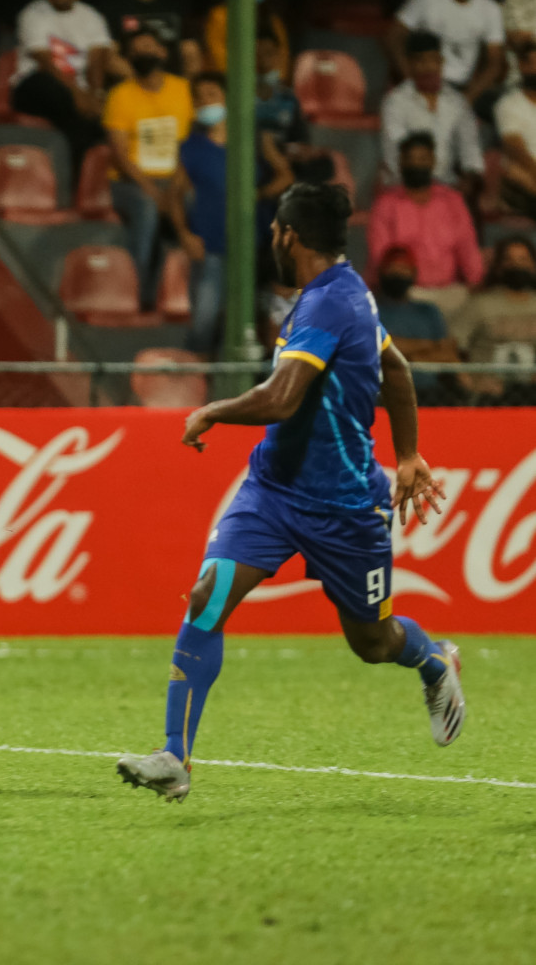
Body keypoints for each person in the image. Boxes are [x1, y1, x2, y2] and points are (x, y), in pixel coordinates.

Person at [116, 182, 465, 803]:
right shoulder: (337, 293)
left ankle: (435, 662)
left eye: (274, 232)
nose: (270, 241)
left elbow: (283, 397)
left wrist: (214, 410)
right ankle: (175, 756)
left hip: (346, 508)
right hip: (273, 490)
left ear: (288, 236)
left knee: (372, 642)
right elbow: (396, 369)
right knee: (206, 595)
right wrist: (408, 453)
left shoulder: (332, 303)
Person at [167, 72, 293, 356]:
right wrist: (185, 234)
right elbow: (174, 196)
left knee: (254, 323)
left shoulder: (254, 139)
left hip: (253, 245)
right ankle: (195, 381)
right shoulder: (191, 147)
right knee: (205, 321)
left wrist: (259, 194)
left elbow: (285, 175)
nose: (204, 103)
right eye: (198, 99)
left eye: (210, 95)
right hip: (210, 244)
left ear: (226, 97)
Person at [103, 26, 193, 308]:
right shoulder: (120, 95)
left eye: (149, 47)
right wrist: (154, 193)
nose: (143, 53)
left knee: (196, 201)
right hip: (130, 183)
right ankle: (135, 292)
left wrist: (175, 188)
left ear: (163, 53)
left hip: (174, 178)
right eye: (137, 49)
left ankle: (184, 290)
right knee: (146, 207)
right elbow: (120, 155)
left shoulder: (182, 90)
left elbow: (188, 148)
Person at [7, 0, 112, 173]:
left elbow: (97, 60)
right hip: (34, 87)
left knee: (91, 115)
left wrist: (95, 94)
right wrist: (77, 95)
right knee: (52, 90)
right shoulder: (33, 13)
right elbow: (45, 63)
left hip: (75, 91)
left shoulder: (91, 16)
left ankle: (82, 176)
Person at [368, 132, 483, 316]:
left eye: (422, 158)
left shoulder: (452, 201)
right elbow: (380, 255)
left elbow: (467, 247)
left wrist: (476, 284)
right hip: (405, 293)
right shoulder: (386, 203)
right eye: (410, 159)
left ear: (433, 161)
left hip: (450, 293)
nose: (416, 164)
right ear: (401, 163)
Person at [389, 0, 505, 118]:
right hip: (425, 81)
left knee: (503, 108)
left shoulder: (490, 8)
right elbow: (393, 38)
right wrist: (411, 81)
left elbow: (495, 63)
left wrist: (469, 97)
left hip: (463, 88)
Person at [380, 31, 483, 189]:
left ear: (441, 62)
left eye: (434, 60)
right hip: (405, 186)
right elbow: (394, 155)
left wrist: (471, 176)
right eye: (421, 61)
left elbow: (470, 148)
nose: (428, 67)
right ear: (410, 64)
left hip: (448, 186)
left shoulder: (457, 101)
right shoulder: (395, 102)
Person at [452, 236, 536, 402]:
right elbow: (451, 348)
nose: (516, 265)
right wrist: (468, 381)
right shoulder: (480, 304)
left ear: (533, 265)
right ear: (498, 267)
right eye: (509, 259)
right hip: (488, 397)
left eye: (522, 259)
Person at [373, 245, 460, 403]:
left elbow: (447, 352)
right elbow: (379, 348)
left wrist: (403, 353)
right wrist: (429, 346)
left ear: (414, 273)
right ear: (382, 272)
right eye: (393, 268)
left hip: (430, 394)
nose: (399, 274)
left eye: (404, 269)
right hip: (384, 392)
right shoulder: (370, 309)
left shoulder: (428, 311)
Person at [494, 40, 536, 218]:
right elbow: (515, 149)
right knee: (516, 172)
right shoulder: (509, 104)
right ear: (523, 66)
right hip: (528, 177)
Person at [253, 25, 307, 150]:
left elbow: (298, 139)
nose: (263, 59)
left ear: (278, 55)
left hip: (282, 152)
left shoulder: (287, 95)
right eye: (257, 54)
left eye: (268, 53)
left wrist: (292, 151)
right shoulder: (237, 94)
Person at [501, 0, 536, 89]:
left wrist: (529, 36)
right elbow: (515, 41)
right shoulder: (512, 0)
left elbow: (525, 38)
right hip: (520, 83)